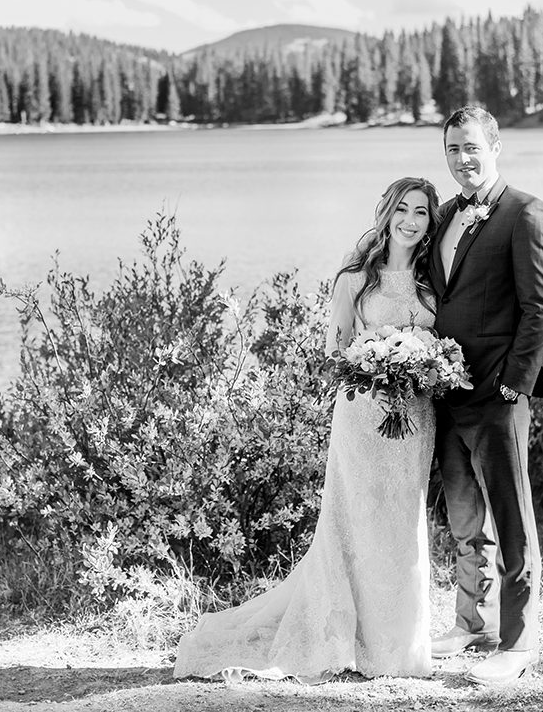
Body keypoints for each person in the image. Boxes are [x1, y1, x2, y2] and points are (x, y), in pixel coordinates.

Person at [173, 177, 442, 683]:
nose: (410, 220)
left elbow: (443, 342)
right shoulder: (355, 280)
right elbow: (335, 351)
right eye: (402, 209)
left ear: (430, 221)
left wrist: (426, 365)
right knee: (354, 522)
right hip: (362, 416)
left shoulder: (433, 281)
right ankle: (340, 639)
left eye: (422, 212)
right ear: (385, 214)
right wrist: (372, 365)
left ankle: (397, 647)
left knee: (403, 526)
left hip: (415, 420)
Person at [426, 105, 543, 686]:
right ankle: (469, 622)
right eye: (453, 150)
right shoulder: (446, 214)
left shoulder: (524, 212)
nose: (462, 160)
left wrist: (512, 387)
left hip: (497, 397)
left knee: (511, 518)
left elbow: (542, 310)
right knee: (462, 518)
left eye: (472, 148)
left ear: (496, 146)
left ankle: (519, 642)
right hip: (445, 393)